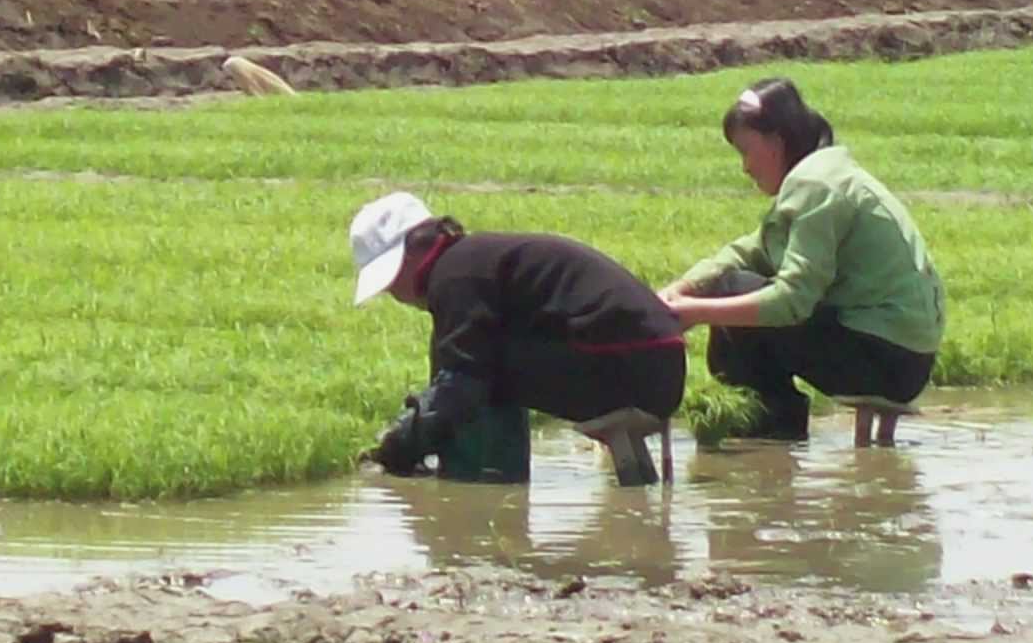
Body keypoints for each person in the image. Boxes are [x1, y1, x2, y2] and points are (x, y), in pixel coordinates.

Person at [658, 78, 945, 441]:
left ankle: (766, 438)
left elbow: (793, 302)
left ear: (776, 143)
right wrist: (680, 290)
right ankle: (773, 433)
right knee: (731, 282)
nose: (745, 167)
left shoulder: (816, 187)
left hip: (886, 360)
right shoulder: (821, 176)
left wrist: (697, 312)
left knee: (733, 291)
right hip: (902, 355)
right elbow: (754, 250)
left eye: (746, 151)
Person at [350, 191, 685, 482]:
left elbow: (462, 382)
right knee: (467, 365)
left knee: (474, 374)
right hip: (657, 368)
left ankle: (484, 487)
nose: (393, 293)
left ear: (411, 252)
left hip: (632, 370)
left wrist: (400, 446)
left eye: (391, 281)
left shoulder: (455, 275)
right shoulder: (475, 260)